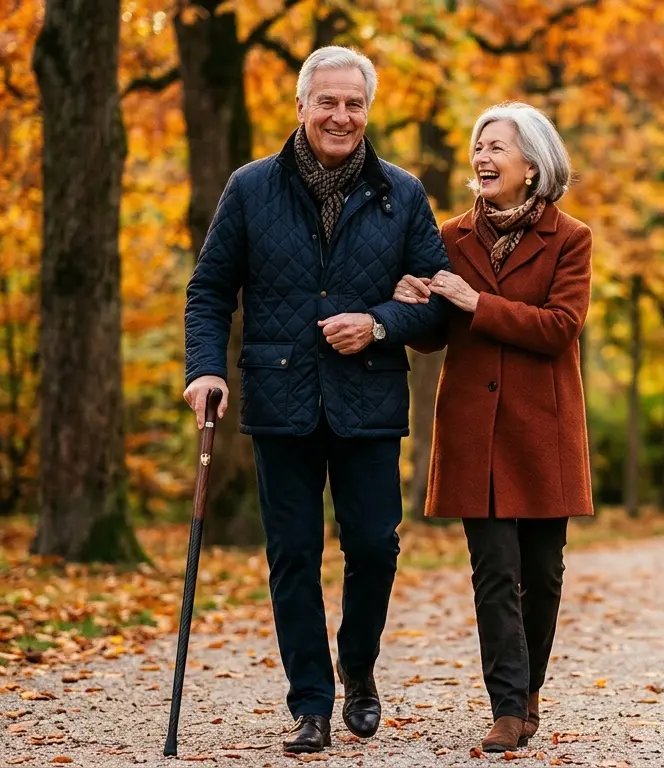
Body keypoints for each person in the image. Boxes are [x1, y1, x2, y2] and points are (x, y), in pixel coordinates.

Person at [182, 46, 450, 754]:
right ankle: (311, 704)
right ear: (300, 106)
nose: (340, 115)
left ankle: (357, 667)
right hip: (281, 398)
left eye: (353, 103)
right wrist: (204, 370)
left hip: (367, 403)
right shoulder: (249, 189)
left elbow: (440, 306)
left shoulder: (404, 193)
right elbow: (209, 291)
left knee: (374, 547)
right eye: (326, 101)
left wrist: (381, 322)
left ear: (368, 110)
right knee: (292, 556)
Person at [391, 102, 592, 753]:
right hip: (475, 430)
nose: (482, 156)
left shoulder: (570, 238)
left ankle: (529, 688)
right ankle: (507, 706)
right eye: (479, 144)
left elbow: (562, 327)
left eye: (497, 147)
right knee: (493, 571)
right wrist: (410, 306)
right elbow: (430, 338)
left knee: (544, 572)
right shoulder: (449, 238)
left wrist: (479, 304)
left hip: (542, 428)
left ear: (531, 165)